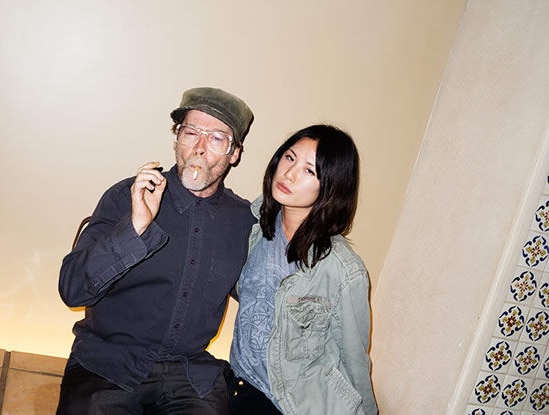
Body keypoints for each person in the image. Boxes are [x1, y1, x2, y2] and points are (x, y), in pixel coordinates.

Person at [56, 87, 256, 415]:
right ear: (176, 140)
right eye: (190, 133)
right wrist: (135, 227)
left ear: (234, 154)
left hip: (190, 374)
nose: (200, 148)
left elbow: (263, 294)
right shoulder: (128, 195)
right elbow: (72, 290)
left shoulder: (244, 221)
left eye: (217, 138)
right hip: (108, 364)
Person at [228, 124, 378, 415]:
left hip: (295, 405)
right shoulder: (252, 226)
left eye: (309, 171)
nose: (289, 174)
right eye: (289, 158)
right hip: (242, 384)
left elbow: (355, 360)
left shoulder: (342, 270)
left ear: (331, 187)